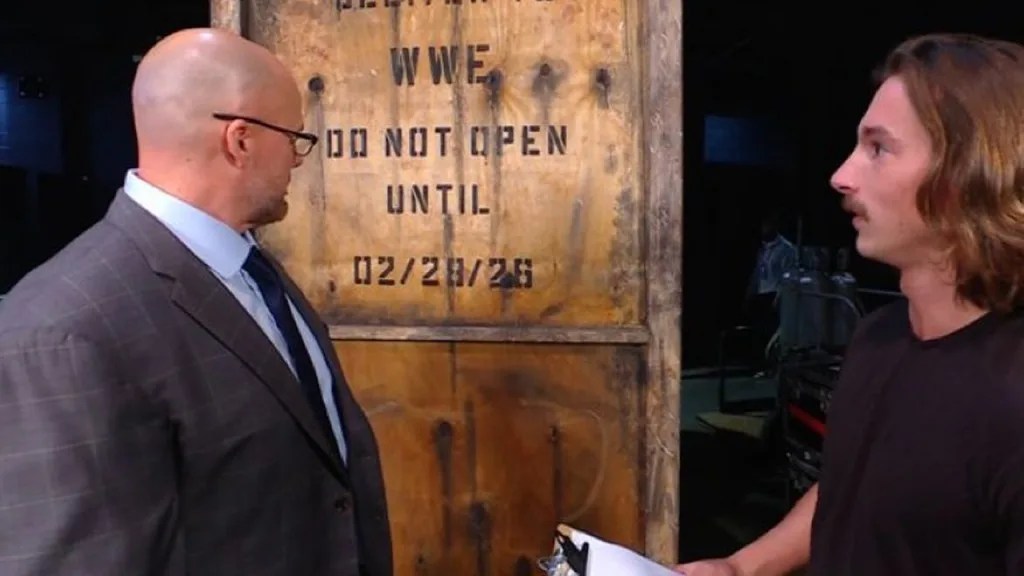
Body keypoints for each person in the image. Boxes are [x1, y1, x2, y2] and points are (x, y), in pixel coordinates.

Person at [0, 28, 391, 576]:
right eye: (295, 139)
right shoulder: (62, 333)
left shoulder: (253, 269)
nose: (298, 161)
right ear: (240, 141)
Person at [677, 33, 1024, 575]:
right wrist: (742, 566)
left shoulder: (1012, 398)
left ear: (969, 175)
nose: (841, 176)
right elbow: (846, 489)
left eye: (878, 148)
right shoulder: (877, 336)